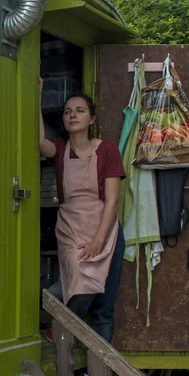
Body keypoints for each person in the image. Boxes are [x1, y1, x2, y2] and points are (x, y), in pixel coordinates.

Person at [38, 84, 127, 342]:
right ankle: (61, 324)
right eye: (67, 112)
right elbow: (39, 141)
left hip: (105, 230)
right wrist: (37, 96)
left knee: (104, 310)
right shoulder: (59, 149)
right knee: (79, 285)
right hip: (71, 228)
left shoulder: (107, 150)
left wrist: (99, 240)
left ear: (92, 118)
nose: (72, 115)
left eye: (79, 110)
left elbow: (112, 201)